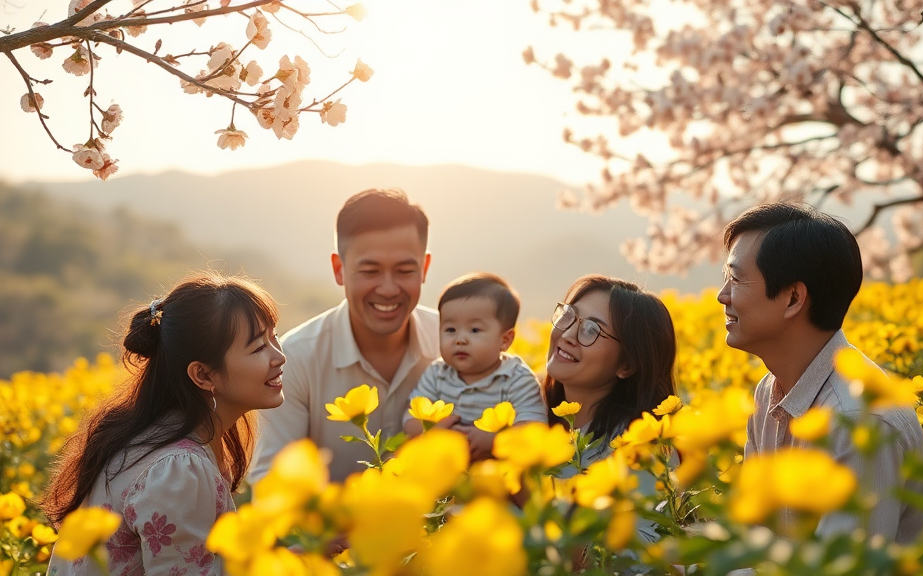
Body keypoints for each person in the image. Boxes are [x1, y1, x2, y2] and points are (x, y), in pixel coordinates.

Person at [717, 202, 923, 543]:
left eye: (735, 279)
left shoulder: (861, 420)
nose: (722, 296)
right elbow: (755, 540)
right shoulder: (767, 393)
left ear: (792, 298)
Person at [42, 273, 286, 576]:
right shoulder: (178, 471)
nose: (280, 356)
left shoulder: (161, 438)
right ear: (204, 376)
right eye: (258, 347)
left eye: (274, 337)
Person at [252, 188, 438, 482]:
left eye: (404, 270)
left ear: (425, 268)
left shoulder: (456, 344)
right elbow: (271, 481)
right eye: (370, 271)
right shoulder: (296, 359)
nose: (388, 289)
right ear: (339, 269)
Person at [544, 274, 677, 544]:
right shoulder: (528, 415)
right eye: (568, 316)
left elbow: (643, 558)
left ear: (627, 365)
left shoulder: (639, 451)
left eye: (591, 330)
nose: (568, 335)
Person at [402, 273, 547, 460]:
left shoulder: (516, 378)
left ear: (505, 340)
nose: (460, 339)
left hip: (497, 476)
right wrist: (435, 431)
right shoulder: (437, 373)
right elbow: (409, 419)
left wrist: (494, 439)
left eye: (475, 330)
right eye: (450, 330)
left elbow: (534, 427)